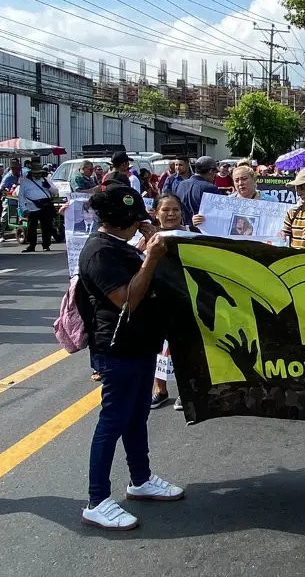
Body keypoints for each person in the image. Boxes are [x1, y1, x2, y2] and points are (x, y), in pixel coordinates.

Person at [77, 187, 184, 530]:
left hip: (140, 345)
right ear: (119, 222)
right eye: (135, 220)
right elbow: (126, 301)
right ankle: (97, 500)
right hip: (117, 348)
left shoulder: (119, 246)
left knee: (136, 417)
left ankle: (140, 479)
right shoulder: (99, 253)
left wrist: (150, 247)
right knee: (113, 422)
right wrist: (150, 257)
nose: (140, 225)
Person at [139, 194, 188, 411]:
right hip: (154, 301)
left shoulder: (193, 235)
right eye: (165, 210)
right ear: (156, 214)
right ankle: (160, 390)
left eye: (175, 209)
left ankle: (186, 392)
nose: (171, 214)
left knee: (184, 348)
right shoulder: (145, 239)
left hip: (184, 301)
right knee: (158, 347)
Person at [191, 166, 277, 229]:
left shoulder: (271, 202)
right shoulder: (226, 202)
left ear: (254, 179)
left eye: (244, 179)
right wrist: (200, 221)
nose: (240, 183)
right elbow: (217, 224)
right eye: (236, 180)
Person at [18, 168, 59, 252]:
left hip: (46, 207)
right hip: (32, 208)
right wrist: (24, 209)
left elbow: (55, 192)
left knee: (47, 227)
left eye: (39, 173)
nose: (37, 175)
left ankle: (46, 245)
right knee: (31, 228)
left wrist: (49, 187)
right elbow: (21, 196)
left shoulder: (46, 180)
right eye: (35, 173)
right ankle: (32, 245)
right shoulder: (25, 182)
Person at [174, 156, 220, 221]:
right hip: (201, 229)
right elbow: (219, 213)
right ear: (211, 171)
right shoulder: (210, 188)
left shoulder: (181, 184)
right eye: (215, 172)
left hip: (183, 228)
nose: (215, 175)